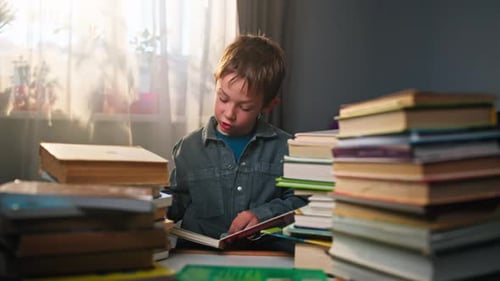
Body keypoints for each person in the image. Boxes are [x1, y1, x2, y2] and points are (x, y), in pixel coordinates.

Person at [167, 34, 307, 252]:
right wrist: (149, 203)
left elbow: (301, 202)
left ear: (269, 105)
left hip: (264, 258)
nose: (229, 113)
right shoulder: (189, 148)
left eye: (245, 108)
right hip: (200, 257)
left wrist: (263, 215)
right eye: (223, 98)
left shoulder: (286, 148)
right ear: (216, 84)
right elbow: (174, 205)